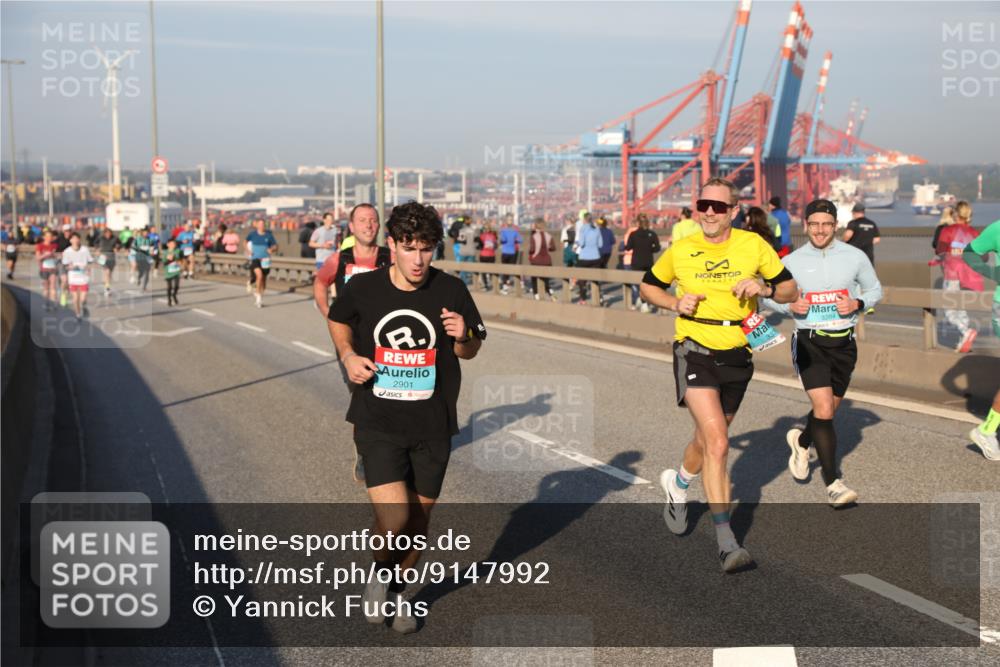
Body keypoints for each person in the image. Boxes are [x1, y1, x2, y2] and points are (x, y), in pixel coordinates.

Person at [326, 201, 486, 633]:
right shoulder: (365, 287)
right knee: (396, 518)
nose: (418, 259)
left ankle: (397, 592)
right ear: (392, 244)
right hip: (378, 420)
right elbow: (338, 319)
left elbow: (471, 348)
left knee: (417, 524)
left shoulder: (451, 289)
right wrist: (348, 354)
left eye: (426, 249)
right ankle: (380, 574)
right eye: (410, 248)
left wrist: (463, 336)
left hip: (433, 425)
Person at [639, 177, 798, 572]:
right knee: (719, 442)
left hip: (739, 352)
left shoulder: (753, 245)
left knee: (706, 439)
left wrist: (763, 287)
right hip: (694, 349)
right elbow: (647, 288)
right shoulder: (682, 248)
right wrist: (675, 303)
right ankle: (727, 542)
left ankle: (678, 483)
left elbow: (790, 291)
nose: (709, 212)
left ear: (734, 211)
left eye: (719, 206)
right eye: (703, 205)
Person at [762, 199, 883, 506]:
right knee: (825, 410)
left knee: (825, 411)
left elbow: (875, 290)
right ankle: (833, 484)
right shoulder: (791, 261)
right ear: (806, 226)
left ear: (835, 226)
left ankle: (801, 440)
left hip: (844, 344)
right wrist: (790, 305)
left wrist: (857, 303)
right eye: (814, 224)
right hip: (809, 341)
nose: (819, 230)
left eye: (826, 224)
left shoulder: (855, 256)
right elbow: (769, 297)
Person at [962, 218, 1000, 460]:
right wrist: (993, 272)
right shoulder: (998, 228)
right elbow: (969, 253)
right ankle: (986, 431)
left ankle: (987, 430)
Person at [312, 204, 391, 317]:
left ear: (378, 226)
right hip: (348, 326)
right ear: (352, 227)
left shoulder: (391, 258)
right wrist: (329, 316)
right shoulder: (338, 259)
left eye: (373, 221)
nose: (368, 225)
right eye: (362, 220)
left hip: (382, 325)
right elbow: (320, 283)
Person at [936, 201, 982, 353]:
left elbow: (940, 250)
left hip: (952, 274)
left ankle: (965, 331)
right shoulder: (974, 233)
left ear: (955, 213)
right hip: (969, 276)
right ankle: (964, 340)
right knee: (961, 308)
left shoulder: (948, 230)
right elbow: (983, 255)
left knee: (948, 308)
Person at [624, 213, 661, 311]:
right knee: (647, 284)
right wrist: (649, 250)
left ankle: (642, 301)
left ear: (638, 223)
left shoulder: (633, 234)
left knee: (638, 283)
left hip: (636, 262)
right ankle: (646, 302)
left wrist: (630, 247)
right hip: (648, 262)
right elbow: (657, 248)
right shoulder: (652, 234)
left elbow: (628, 247)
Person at [246, 218, 278, 308]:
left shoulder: (269, 235)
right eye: (260, 224)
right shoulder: (252, 234)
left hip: (265, 259)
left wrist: (272, 249)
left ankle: (259, 293)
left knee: (263, 279)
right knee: (259, 276)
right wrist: (248, 250)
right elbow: (245, 242)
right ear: (256, 225)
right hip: (255, 258)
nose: (261, 226)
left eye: (263, 224)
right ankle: (258, 299)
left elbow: (276, 246)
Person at [61, 233, 94, 320]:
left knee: (83, 299)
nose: (75, 240)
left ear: (79, 240)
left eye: (77, 238)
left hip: (83, 278)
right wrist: (70, 267)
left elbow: (90, 261)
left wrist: (88, 269)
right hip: (73, 278)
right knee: (75, 299)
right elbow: (64, 265)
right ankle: (78, 314)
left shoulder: (85, 250)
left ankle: (84, 307)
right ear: (70, 240)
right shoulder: (67, 251)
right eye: (73, 238)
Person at [574, 211, 603, 304]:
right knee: (595, 279)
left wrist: (576, 245)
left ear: (584, 220)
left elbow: (582, 243)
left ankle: (583, 299)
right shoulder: (597, 229)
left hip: (584, 257)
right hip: (596, 257)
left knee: (582, 279)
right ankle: (599, 298)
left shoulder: (583, 229)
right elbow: (600, 244)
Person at [528, 218, 556, 300]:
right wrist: (547, 248)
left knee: (534, 278)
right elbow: (553, 248)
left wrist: (530, 253)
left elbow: (532, 249)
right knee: (545, 278)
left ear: (536, 225)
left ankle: (536, 294)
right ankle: (549, 292)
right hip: (547, 260)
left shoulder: (534, 236)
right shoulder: (549, 236)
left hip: (536, 260)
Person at [35, 228, 60, 310]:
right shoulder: (40, 246)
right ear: (44, 237)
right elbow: (37, 258)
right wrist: (45, 255)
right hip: (44, 269)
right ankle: (46, 303)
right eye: (47, 236)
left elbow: (58, 256)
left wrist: (54, 255)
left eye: (50, 236)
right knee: (46, 287)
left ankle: (53, 303)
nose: (49, 238)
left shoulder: (55, 245)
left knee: (53, 286)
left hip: (53, 268)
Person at [94, 227, 121, 296]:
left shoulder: (115, 238)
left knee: (109, 274)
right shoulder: (100, 237)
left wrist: (117, 248)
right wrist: (97, 249)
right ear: (104, 233)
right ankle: (107, 289)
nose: (108, 234)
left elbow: (120, 244)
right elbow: (95, 243)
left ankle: (107, 285)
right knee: (107, 272)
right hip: (103, 256)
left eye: (109, 233)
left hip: (111, 256)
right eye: (106, 233)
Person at [499, 219, 522, 293]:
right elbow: (520, 240)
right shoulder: (515, 231)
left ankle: (505, 285)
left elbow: (503, 240)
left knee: (504, 269)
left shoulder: (503, 231)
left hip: (505, 252)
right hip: (512, 252)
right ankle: (511, 282)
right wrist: (514, 240)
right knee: (512, 268)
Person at [455, 216, 480, 286]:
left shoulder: (462, 230)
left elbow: (461, 239)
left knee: (463, 268)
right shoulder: (473, 230)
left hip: (463, 251)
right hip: (472, 251)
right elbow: (477, 240)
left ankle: (464, 283)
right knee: (471, 268)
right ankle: (471, 282)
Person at [132, 227, 155, 292]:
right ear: (142, 233)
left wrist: (152, 252)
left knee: (147, 272)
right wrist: (140, 249)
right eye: (144, 232)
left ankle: (144, 287)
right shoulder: (137, 239)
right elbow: (133, 247)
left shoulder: (150, 240)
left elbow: (152, 249)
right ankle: (139, 278)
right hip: (139, 257)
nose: (146, 234)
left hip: (147, 258)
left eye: (147, 233)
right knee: (141, 272)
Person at [162, 238, 184, 307]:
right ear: (168, 244)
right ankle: (169, 300)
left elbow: (181, 259)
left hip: (176, 271)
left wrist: (180, 263)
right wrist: (169, 259)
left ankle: (174, 295)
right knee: (169, 287)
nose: (173, 245)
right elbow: (164, 263)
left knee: (177, 286)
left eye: (174, 244)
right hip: (168, 271)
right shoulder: (165, 252)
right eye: (171, 244)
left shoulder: (178, 251)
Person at [477, 222, 498, 291]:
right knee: (491, 270)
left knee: (483, 271)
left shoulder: (482, 236)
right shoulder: (493, 236)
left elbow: (479, 246)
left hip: (483, 255)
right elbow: (496, 246)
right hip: (491, 255)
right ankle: (490, 283)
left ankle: (486, 285)